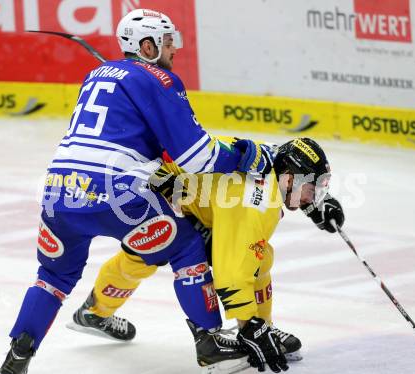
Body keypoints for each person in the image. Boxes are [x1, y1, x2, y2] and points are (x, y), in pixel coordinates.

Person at [0, 9, 279, 374]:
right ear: (146, 46)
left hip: (58, 189)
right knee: (187, 245)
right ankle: (209, 344)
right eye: (166, 42)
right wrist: (249, 154)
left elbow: (119, 135)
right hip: (117, 189)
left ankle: (18, 354)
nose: (173, 49)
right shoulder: (160, 78)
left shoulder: (94, 75)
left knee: (51, 277)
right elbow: (198, 156)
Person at [68, 137, 345, 373]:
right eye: (313, 190)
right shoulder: (257, 204)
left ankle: (94, 312)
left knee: (256, 257)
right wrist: (249, 326)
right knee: (152, 253)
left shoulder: (272, 163)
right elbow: (232, 274)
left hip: (172, 190)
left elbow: (281, 158)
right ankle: (210, 343)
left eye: (318, 190)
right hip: (148, 193)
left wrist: (315, 206)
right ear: (290, 179)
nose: (314, 196)